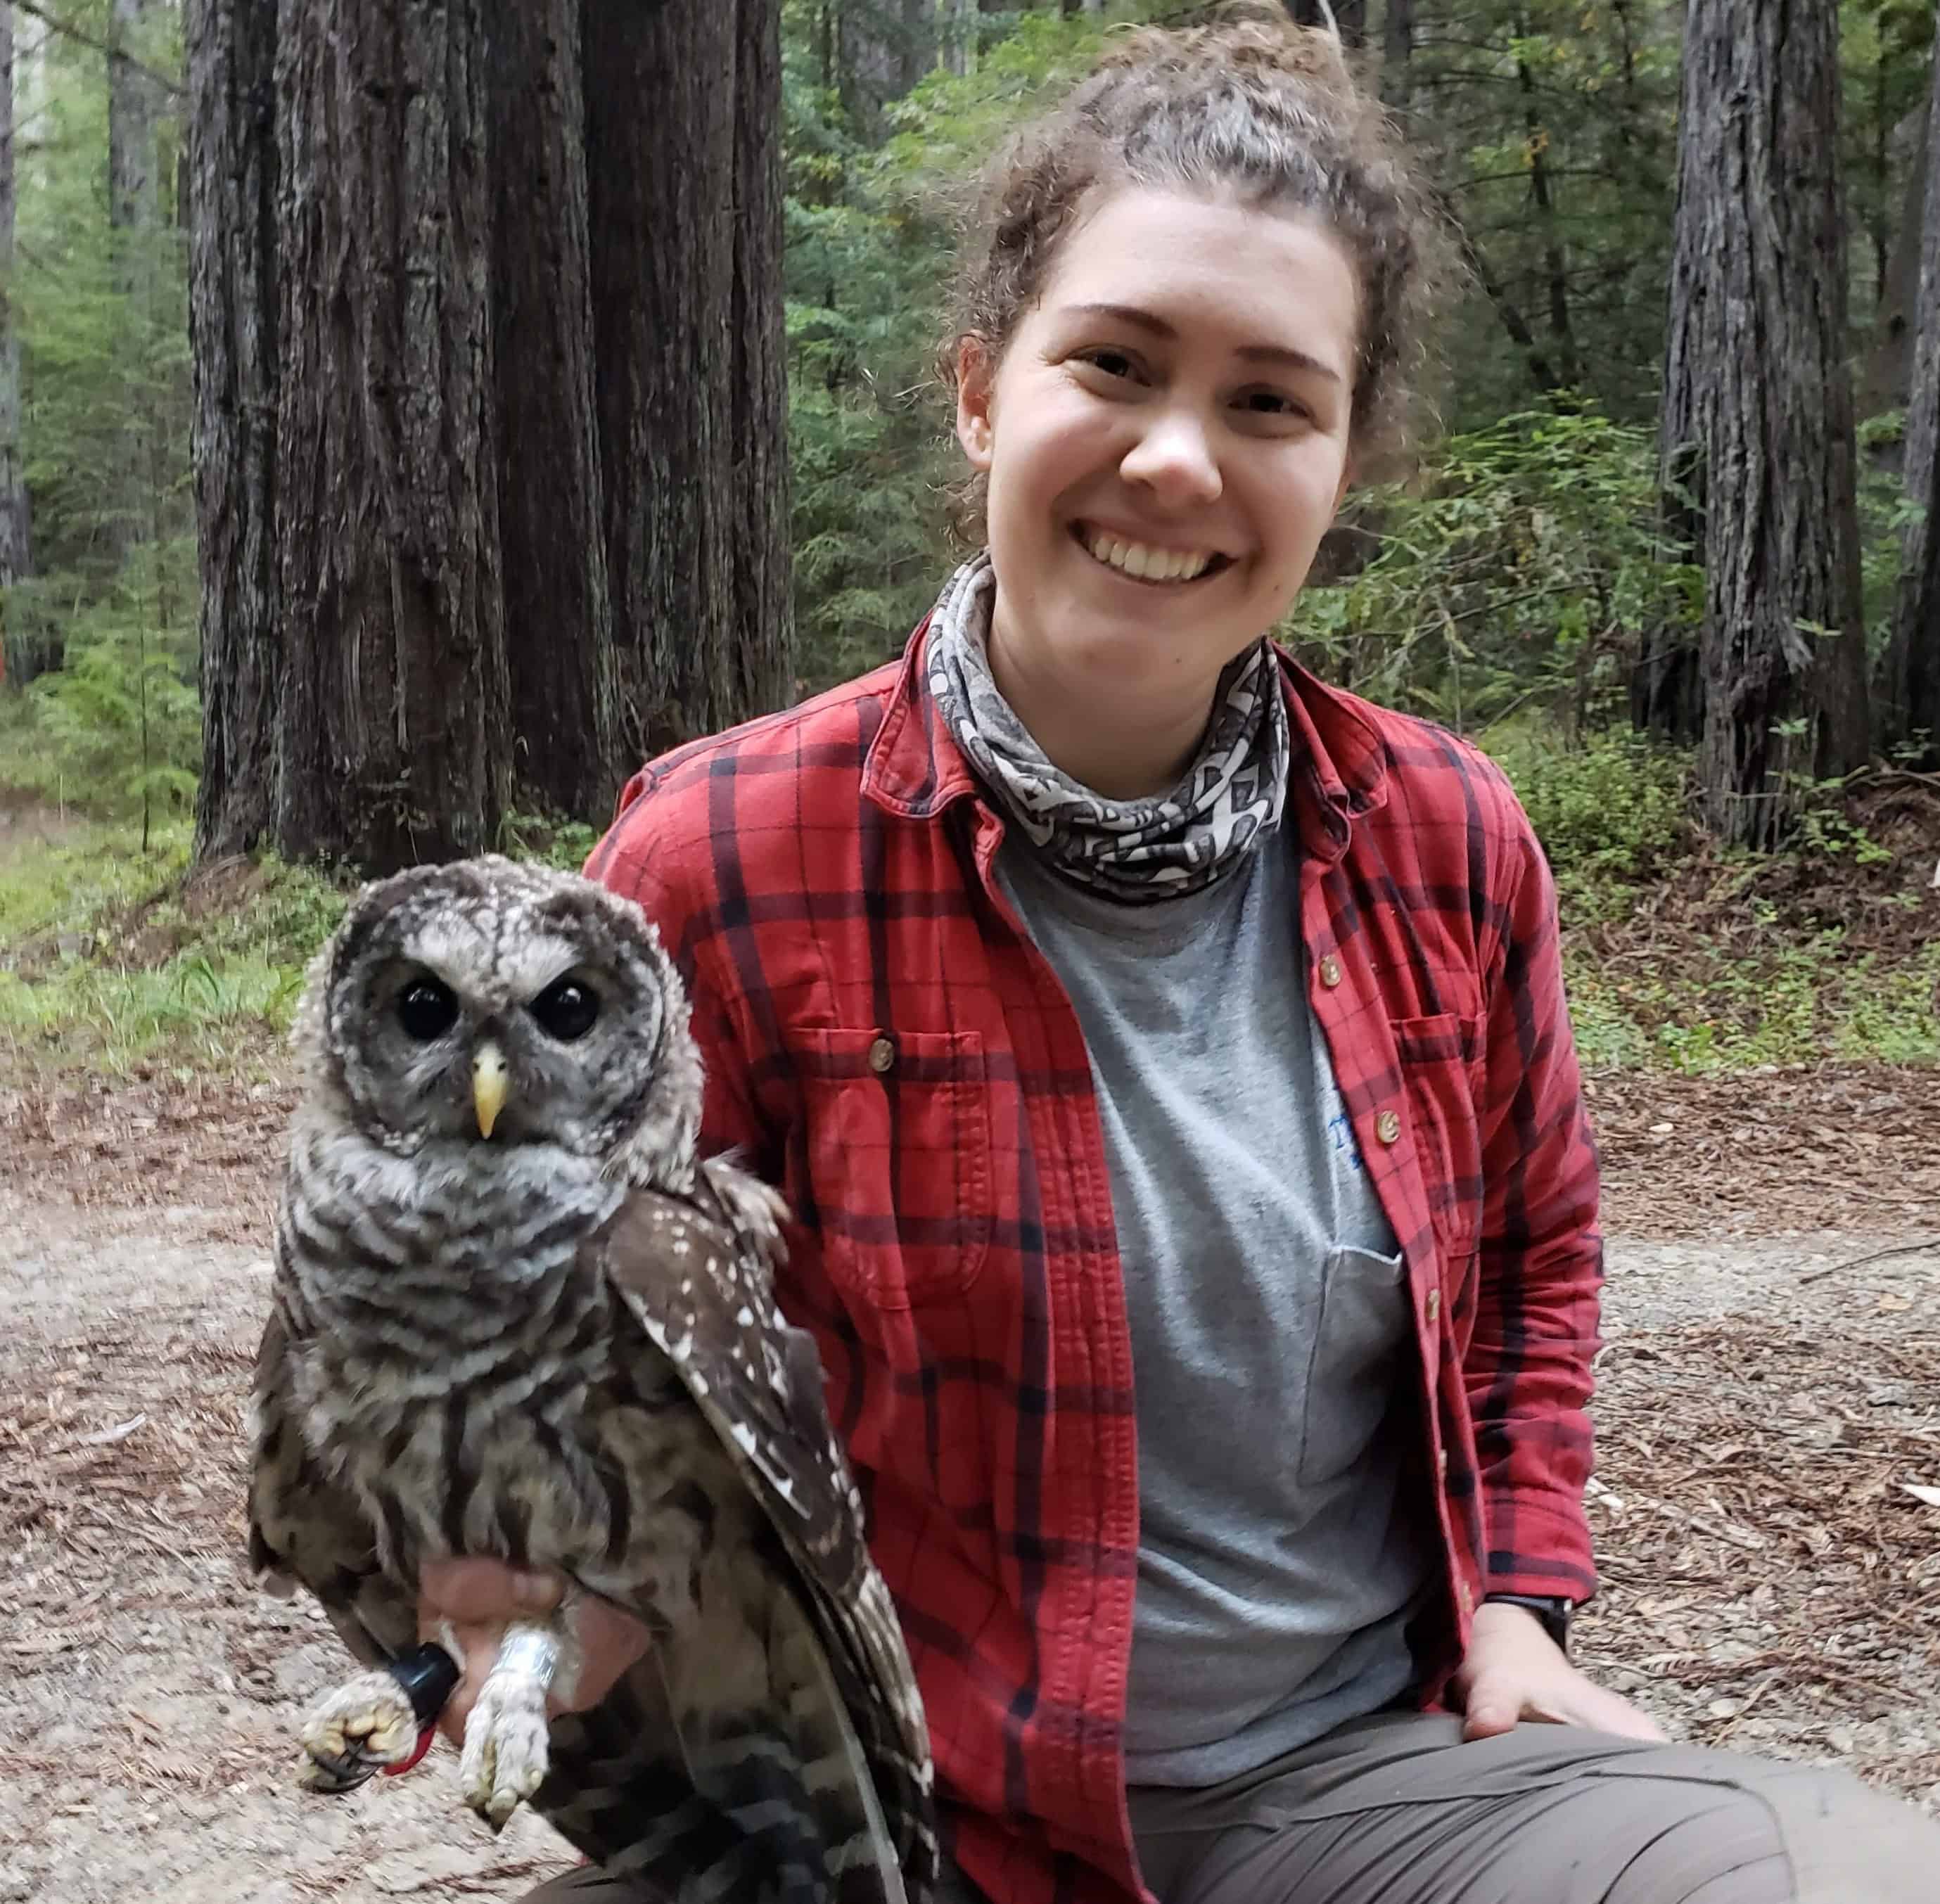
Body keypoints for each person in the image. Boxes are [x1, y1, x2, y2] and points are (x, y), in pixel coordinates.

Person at [421, 11, 1940, 1900]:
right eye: (1114, 364)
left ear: (1345, 460)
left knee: (1850, 1874)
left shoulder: (1447, 841)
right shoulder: (719, 857)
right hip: (904, 1807)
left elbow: (1539, 1253)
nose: (1174, 460)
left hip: (1359, 1792)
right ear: (982, 387)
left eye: (1269, 401)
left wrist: (1525, 1603)